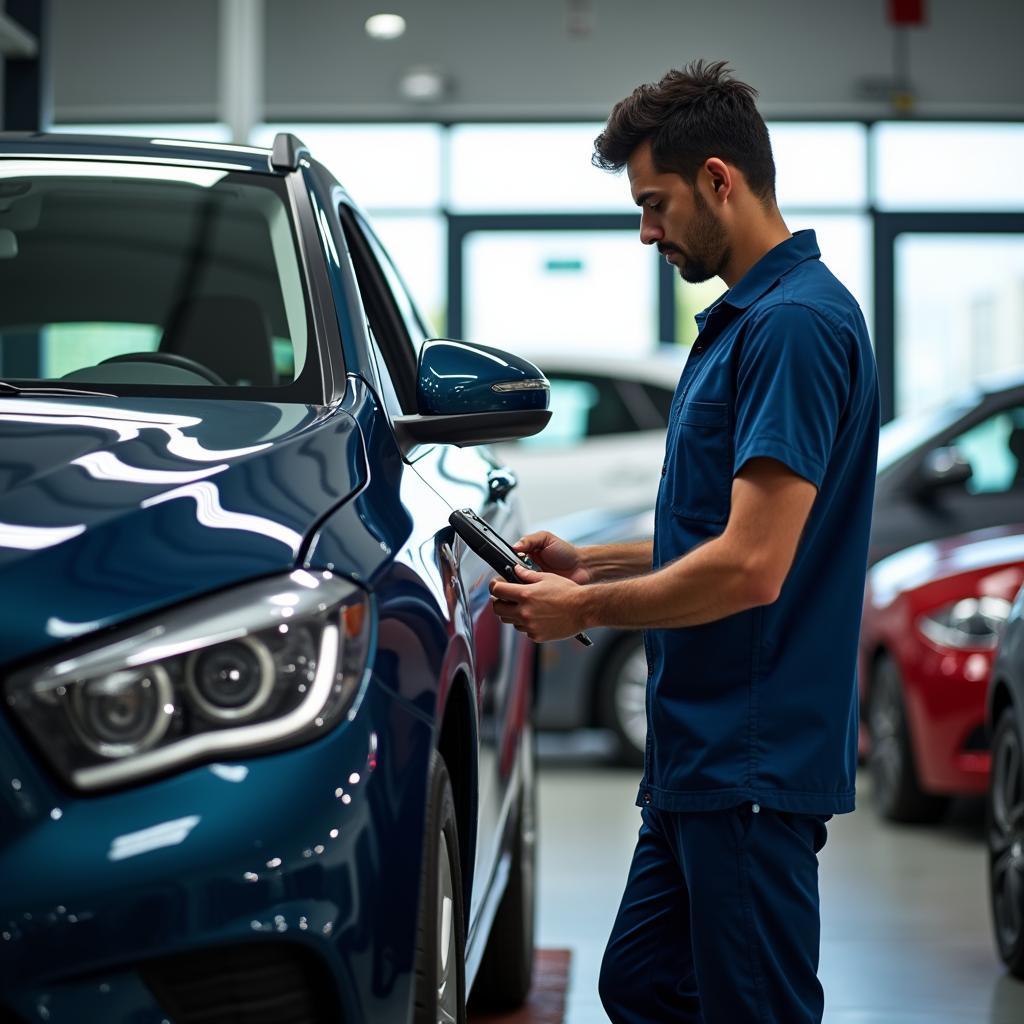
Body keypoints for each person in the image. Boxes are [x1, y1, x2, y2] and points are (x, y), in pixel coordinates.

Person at [489, 60, 880, 1024]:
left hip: (749, 751)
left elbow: (752, 567)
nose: (646, 231)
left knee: (752, 1007)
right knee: (644, 984)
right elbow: (715, 530)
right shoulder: (746, 323)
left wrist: (582, 610)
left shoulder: (792, 327)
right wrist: (594, 563)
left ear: (719, 179)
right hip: (697, 754)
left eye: (655, 203)